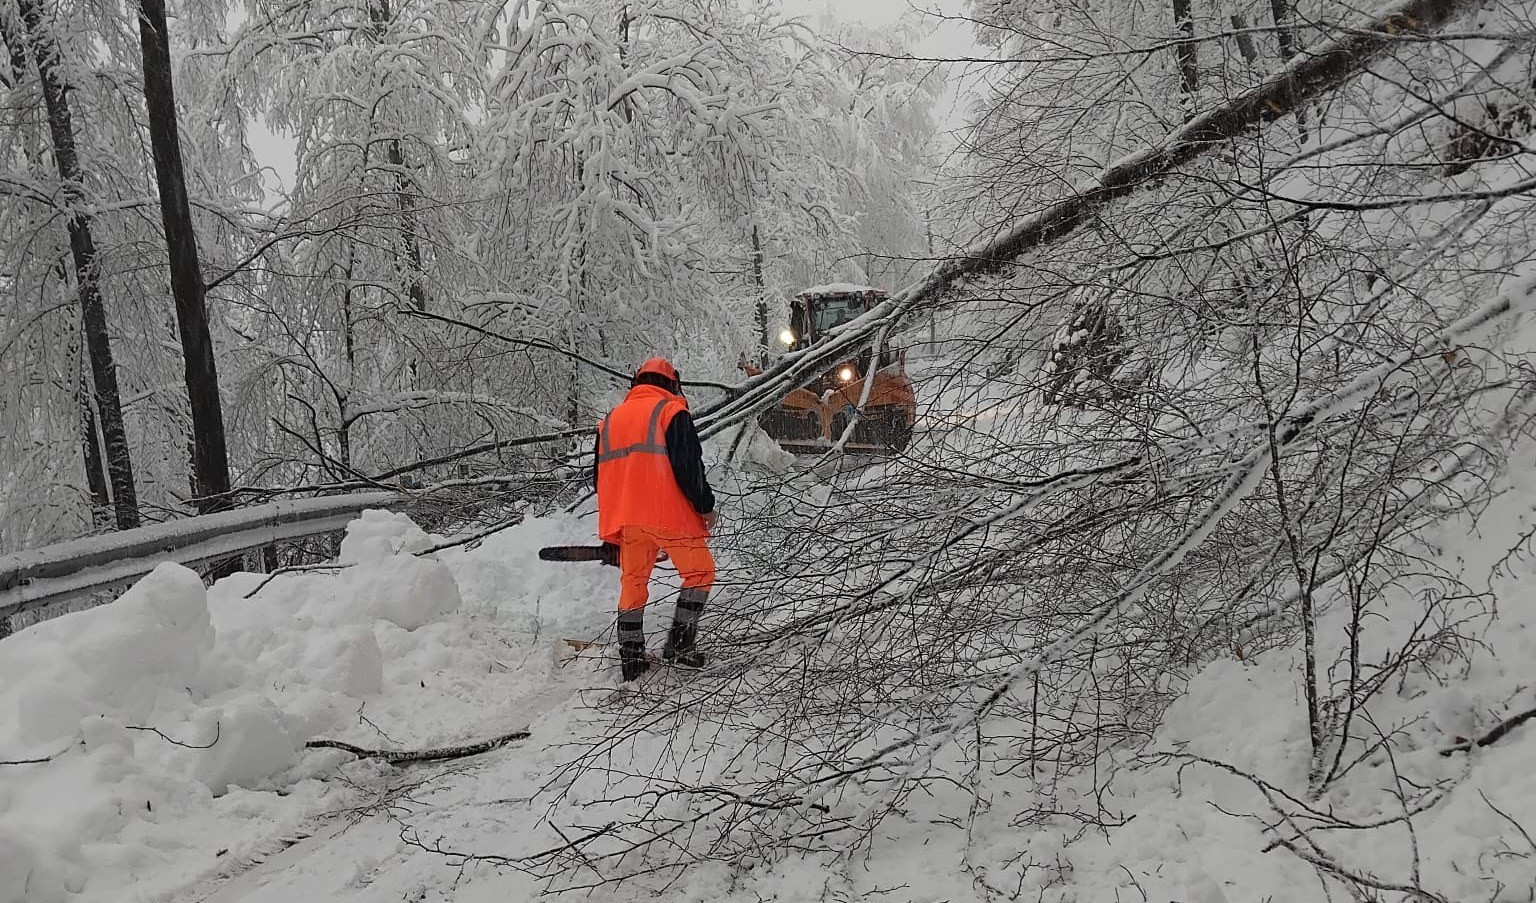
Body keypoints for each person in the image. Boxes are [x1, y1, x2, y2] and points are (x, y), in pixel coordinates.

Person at [595, 357, 718, 680]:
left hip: (627, 519)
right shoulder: (670, 412)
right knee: (700, 573)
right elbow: (689, 466)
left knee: (633, 582)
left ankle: (632, 655)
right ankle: (678, 645)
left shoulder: (610, 420)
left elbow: (599, 476)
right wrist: (705, 506)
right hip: (668, 513)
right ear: (672, 384)